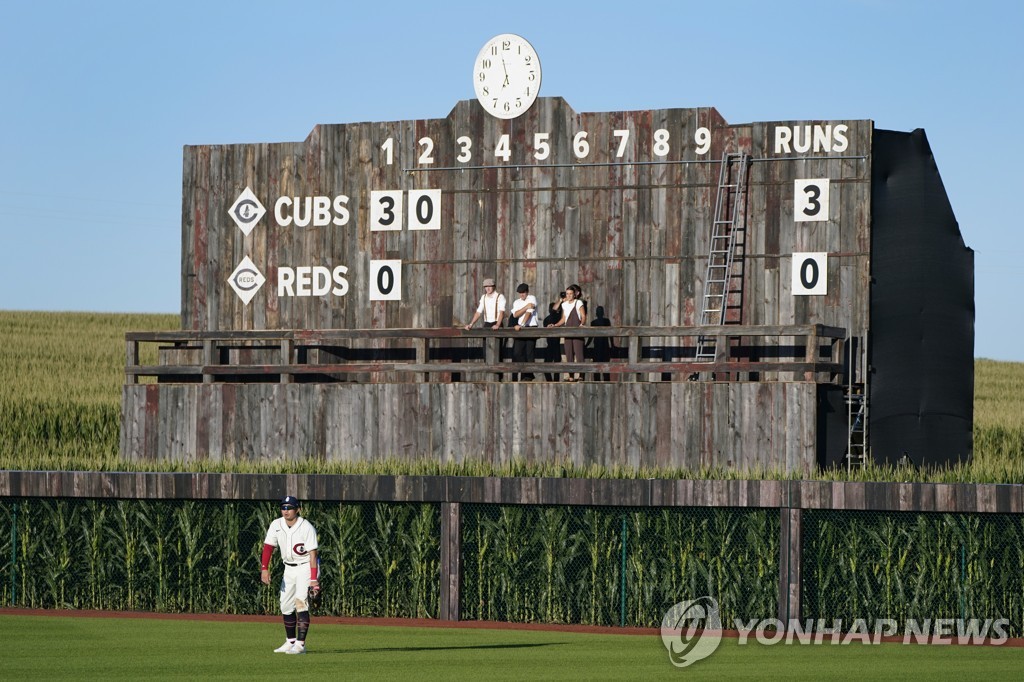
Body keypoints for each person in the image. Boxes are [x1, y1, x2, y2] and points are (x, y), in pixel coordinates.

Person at [261, 495, 319, 655]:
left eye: (289, 507)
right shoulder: (276, 524)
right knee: (285, 605)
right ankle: (290, 641)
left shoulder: (306, 527)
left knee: (301, 603)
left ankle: (300, 645)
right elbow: (268, 547)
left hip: (306, 567)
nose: (286, 511)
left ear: (298, 509)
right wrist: (264, 568)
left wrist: (314, 579)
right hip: (289, 568)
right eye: (283, 507)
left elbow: (313, 554)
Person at [553, 284, 587, 381]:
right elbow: (563, 318)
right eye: (567, 294)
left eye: (570, 294)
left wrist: (582, 324)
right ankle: (571, 375)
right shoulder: (564, 305)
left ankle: (581, 375)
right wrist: (556, 325)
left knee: (579, 353)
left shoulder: (578, 302)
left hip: (576, 329)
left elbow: (583, 316)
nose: (568, 295)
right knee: (569, 354)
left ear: (574, 295)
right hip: (567, 330)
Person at [509, 283, 538, 381]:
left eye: (523, 293)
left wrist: (522, 324)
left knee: (529, 352)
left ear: (527, 292)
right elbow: (516, 314)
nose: (522, 295)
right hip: (520, 328)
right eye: (520, 293)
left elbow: (529, 313)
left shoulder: (532, 298)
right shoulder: (516, 302)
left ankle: (528, 376)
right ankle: (526, 372)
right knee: (517, 352)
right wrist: (525, 307)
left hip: (530, 327)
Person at [542, 293, 564, 381]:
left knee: (548, 365)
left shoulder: (547, 319)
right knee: (556, 365)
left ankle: (550, 381)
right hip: (555, 344)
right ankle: (554, 381)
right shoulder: (558, 317)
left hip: (551, 344)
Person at [589, 305, 615, 381]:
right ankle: (597, 383)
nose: (599, 313)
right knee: (597, 367)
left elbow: (610, 334)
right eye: (598, 311)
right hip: (597, 346)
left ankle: (606, 383)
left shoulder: (606, 321)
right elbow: (591, 336)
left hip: (604, 346)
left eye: (600, 311)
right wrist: (587, 345)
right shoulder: (593, 323)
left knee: (605, 367)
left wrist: (612, 345)